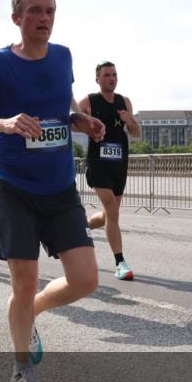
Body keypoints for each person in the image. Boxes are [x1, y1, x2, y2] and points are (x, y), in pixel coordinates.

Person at [0, 0, 105, 382]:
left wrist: (81, 121)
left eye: (50, 11)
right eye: (35, 10)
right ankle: (22, 367)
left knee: (85, 280)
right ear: (17, 18)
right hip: (14, 186)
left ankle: (33, 311)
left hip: (59, 188)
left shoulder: (63, 56)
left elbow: (64, 106)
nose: (44, 17)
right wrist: (2, 124)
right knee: (24, 282)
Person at [79, 61, 140, 281]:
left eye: (114, 74)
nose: (111, 78)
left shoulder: (124, 101)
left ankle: (81, 227)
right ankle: (120, 262)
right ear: (98, 79)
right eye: (106, 75)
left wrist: (129, 119)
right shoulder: (88, 101)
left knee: (108, 216)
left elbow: (135, 132)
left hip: (119, 164)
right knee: (113, 212)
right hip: (98, 164)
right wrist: (88, 127)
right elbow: (72, 121)